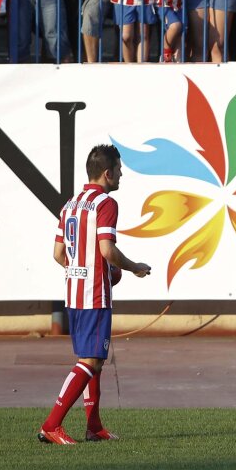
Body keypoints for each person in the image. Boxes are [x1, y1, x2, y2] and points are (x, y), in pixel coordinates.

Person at [37, 144, 151, 446]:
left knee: (94, 360)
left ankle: (94, 426)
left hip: (74, 295)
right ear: (107, 173)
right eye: (119, 170)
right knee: (90, 360)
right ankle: (51, 424)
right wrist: (133, 267)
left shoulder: (71, 204)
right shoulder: (105, 203)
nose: (122, 176)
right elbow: (107, 250)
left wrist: (83, 271)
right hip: (94, 297)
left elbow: (58, 254)